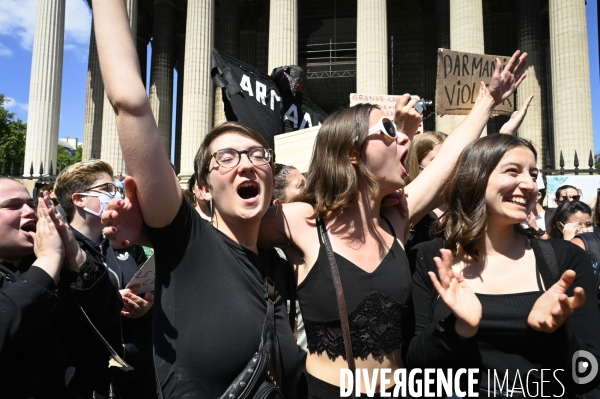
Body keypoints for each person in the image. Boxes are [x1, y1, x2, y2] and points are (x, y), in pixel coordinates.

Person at [101, 39, 528, 396]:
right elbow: (218, 239)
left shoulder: (395, 221)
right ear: (352, 153)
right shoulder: (302, 222)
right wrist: (153, 230)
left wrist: (487, 101)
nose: (405, 142)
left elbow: (446, 162)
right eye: (389, 132)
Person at [93, 1, 299, 397]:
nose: (247, 165)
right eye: (226, 157)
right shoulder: (186, 242)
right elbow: (130, 104)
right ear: (201, 188)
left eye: (259, 156)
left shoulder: (279, 269)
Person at [407, 134, 600, 397]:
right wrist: (458, 329)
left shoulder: (565, 259)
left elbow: (589, 373)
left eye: (533, 174)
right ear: (475, 176)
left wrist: (551, 335)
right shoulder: (430, 259)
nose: (530, 184)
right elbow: (414, 367)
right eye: (513, 171)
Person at [0, 177, 123, 398]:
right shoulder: (48, 263)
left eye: (30, 203)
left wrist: (76, 256)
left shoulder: (61, 264)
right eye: (13, 206)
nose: (29, 212)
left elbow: (109, 316)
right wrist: (46, 262)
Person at [54, 160, 156, 399]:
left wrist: (146, 308)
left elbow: (154, 291)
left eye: (117, 189)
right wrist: (110, 299)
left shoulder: (126, 243)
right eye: (107, 189)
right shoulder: (59, 249)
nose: (116, 196)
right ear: (78, 199)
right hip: (91, 381)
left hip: (140, 373)